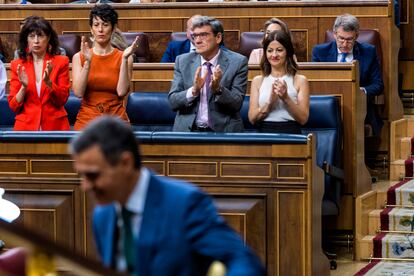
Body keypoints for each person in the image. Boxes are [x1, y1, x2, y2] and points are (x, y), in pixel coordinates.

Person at [70, 116, 266, 276]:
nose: (85, 186)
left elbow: (242, 260)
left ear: (125, 163)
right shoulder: (102, 216)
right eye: (81, 176)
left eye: (93, 175)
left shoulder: (184, 203)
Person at [168, 16, 248, 132]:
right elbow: (173, 102)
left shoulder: (237, 62)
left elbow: (236, 104)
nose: (198, 41)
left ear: (218, 37)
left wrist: (218, 90)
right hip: (188, 132)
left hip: (224, 132)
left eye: (203, 35)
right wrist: (193, 91)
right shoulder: (182, 61)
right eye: (195, 36)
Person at [312, 13, 384, 137]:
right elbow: (314, 82)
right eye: (341, 38)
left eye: (349, 39)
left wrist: (361, 91)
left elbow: (378, 84)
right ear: (334, 34)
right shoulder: (320, 52)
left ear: (356, 36)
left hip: (358, 108)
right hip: (327, 107)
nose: (345, 44)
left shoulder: (368, 52)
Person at [71, 4, 138, 130]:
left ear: (113, 29)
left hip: (116, 121)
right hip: (87, 121)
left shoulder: (125, 57)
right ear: (91, 29)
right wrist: (88, 63)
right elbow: (78, 93)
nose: (100, 29)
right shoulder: (78, 57)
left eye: (105, 24)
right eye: (96, 25)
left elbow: (122, 92)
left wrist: (124, 59)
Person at [8, 16, 70, 131]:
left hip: (55, 126)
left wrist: (49, 83)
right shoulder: (17, 65)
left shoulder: (61, 62)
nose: (36, 41)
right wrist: (23, 87)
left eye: (40, 35)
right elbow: (13, 106)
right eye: (31, 36)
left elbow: (62, 100)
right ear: (26, 39)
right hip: (26, 127)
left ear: (48, 38)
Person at [248, 30, 309, 134]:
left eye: (279, 50)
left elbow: (303, 119)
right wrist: (270, 102)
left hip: (291, 133)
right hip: (264, 133)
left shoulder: (300, 80)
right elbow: (252, 119)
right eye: (270, 50)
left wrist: (285, 97)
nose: (274, 55)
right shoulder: (257, 81)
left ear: (288, 52)